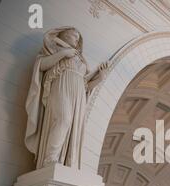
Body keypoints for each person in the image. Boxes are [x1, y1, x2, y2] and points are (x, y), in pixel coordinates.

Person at [24, 27, 109, 169]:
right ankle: (49, 158)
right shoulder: (55, 48)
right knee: (63, 118)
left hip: (78, 93)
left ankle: (63, 161)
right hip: (61, 85)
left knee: (72, 126)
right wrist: (63, 53)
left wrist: (100, 77)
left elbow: (85, 85)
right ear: (63, 35)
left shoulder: (81, 59)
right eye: (73, 35)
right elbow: (42, 65)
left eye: (77, 37)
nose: (76, 39)